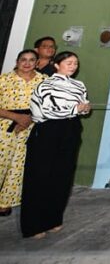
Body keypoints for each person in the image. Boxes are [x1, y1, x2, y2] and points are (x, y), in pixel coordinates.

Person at [20, 51, 90, 239]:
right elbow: (44, 111)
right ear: (57, 65)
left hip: (71, 130)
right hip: (48, 131)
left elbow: (81, 107)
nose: (73, 66)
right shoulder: (44, 84)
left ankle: (53, 218)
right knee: (40, 176)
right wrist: (75, 108)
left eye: (75, 63)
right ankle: (33, 225)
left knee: (63, 175)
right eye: (69, 62)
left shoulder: (79, 85)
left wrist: (83, 109)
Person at [0, 50, 45, 216]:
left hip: (30, 127)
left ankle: (5, 203)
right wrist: (15, 117)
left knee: (18, 166)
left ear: (37, 62)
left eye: (32, 60)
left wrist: (29, 120)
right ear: (17, 61)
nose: (27, 63)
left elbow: (47, 105)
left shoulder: (43, 81)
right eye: (23, 60)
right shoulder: (4, 79)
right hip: (4, 126)